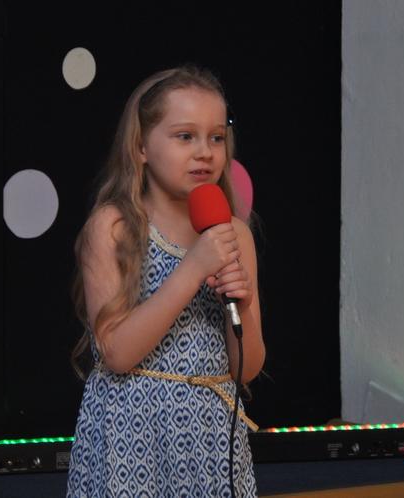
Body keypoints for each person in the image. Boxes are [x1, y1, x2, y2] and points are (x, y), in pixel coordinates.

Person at [67, 64, 265, 497]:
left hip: (210, 438)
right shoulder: (114, 228)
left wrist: (242, 305)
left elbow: (247, 368)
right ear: (141, 146)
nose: (205, 152)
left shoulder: (234, 235)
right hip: (131, 436)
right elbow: (118, 354)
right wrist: (192, 269)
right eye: (185, 136)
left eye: (216, 138)